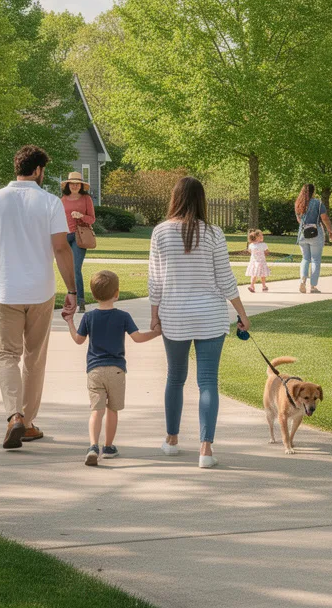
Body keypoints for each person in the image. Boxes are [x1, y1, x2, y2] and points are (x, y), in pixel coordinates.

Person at [0, 145, 78, 450]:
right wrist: (73, 290)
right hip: (41, 291)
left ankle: (15, 416)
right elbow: (62, 249)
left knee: (7, 355)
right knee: (34, 357)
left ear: (17, 167)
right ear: (38, 170)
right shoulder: (51, 202)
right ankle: (27, 422)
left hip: (6, 290)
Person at [148, 176, 250, 469]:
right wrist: (242, 313)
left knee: (175, 377)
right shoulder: (214, 233)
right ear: (202, 199)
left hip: (174, 315)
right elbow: (226, 279)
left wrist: (154, 316)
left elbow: (155, 280)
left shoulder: (160, 233)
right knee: (208, 382)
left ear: (175, 198)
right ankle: (205, 449)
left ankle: (172, 440)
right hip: (210, 317)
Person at [64, 270, 162, 466]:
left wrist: (70, 322)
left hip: (95, 371)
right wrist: (156, 333)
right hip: (116, 370)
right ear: (116, 293)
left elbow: (78, 340)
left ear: (93, 294)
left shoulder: (89, 317)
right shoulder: (123, 316)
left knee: (96, 410)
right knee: (112, 410)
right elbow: (137, 338)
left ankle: (93, 446)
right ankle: (108, 446)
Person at [61, 171, 96, 309]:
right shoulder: (62, 200)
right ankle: (70, 298)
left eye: (77, 184)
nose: (74, 186)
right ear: (68, 185)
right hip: (64, 236)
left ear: (81, 186)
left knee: (76, 269)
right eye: (72, 184)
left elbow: (92, 219)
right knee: (66, 270)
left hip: (79, 236)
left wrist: (81, 215)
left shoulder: (86, 199)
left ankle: (80, 301)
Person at [294, 184, 332, 294]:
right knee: (315, 259)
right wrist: (330, 231)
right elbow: (324, 218)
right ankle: (313, 286)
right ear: (313, 191)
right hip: (315, 233)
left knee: (305, 258)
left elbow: (299, 219)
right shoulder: (318, 203)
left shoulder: (298, 203)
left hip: (302, 234)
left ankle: (303, 279)